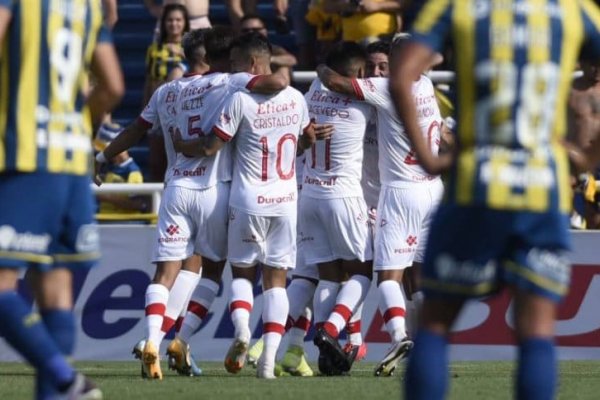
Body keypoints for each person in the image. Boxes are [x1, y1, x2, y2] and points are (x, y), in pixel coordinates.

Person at [389, 1, 600, 399]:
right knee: (537, 328)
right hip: (542, 187)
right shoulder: (575, 11)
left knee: (435, 323)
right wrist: (590, 156)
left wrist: (429, 157)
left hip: (476, 183)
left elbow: (401, 74)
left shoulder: (458, 6)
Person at [0, 0, 124, 399]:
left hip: (25, 158)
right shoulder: (87, 8)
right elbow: (114, 87)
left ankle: (66, 379)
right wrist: (72, 124)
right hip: (72, 161)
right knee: (55, 294)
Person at [180, 32, 315, 379]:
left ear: (253, 63)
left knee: (242, 273)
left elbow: (211, 147)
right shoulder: (297, 98)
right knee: (276, 282)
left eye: (238, 64)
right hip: (285, 200)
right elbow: (306, 139)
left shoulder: (240, 99)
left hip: (248, 199)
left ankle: (242, 332)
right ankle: (268, 362)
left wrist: (184, 145)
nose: (234, 71)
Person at [298, 42, 376, 376]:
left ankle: (326, 357)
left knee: (329, 274)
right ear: (358, 74)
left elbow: (324, 73)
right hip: (343, 195)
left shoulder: (312, 92)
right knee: (362, 270)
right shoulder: (365, 96)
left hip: (310, 195)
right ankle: (330, 329)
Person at [568, 57, 600, 228]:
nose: (597, 69)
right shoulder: (568, 89)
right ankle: (573, 219)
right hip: (575, 160)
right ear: (582, 62)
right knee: (563, 185)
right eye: (593, 63)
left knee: (595, 221)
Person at [94, 122, 148, 218]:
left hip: (123, 224)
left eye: (102, 150)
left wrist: (104, 196)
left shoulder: (132, 171)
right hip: (105, 222)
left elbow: (136, 204)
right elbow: (103, 187)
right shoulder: (108, 167)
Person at [323, 0, 402, 44]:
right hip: (351, 43)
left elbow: (405, 4)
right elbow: (327, 6)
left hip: (383, 43)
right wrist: (349, 5)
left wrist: (377, 6)